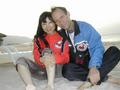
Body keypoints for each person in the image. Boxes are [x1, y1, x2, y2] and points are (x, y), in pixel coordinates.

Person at [51, 6, 120, 89]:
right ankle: (104, 78)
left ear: (68, 14)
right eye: (57, 21)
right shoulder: (60, 35)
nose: (61, 22)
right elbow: (56, 51)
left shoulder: (85, 27)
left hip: (92, 62)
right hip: (78, 66)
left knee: (114, 51)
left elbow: (97, 47)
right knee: (66, 70)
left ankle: (91, 79)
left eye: (61, 17)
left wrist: (93, 67)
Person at [16, 11, 69, 90]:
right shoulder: (38, 38)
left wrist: (53, 58)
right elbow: (36, 55)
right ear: (40, 25)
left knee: (47, 51)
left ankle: (50, 86)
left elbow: (66, 58)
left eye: (50, 22)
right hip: (41, 72)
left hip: (56, 71)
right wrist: (41, 59)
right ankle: (30, 86)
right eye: (44, 24)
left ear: (55, 23)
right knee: (20, 60)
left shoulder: (63, 37)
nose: (48, 26)